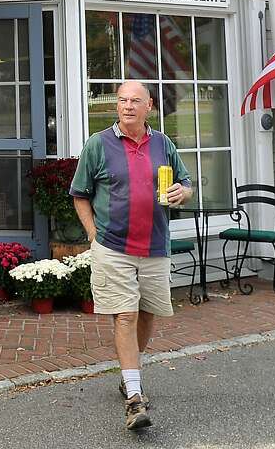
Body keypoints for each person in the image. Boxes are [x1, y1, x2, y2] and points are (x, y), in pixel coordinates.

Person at [69, 80, 193, 430]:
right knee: (125, 315)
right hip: (113, 246)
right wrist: (92, 233)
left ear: (149, 106)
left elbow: (186, 183)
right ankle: (134, 396)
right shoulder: (98, 144)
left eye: (135, 101)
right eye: (122, 100)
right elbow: (79, 194)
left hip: (155, 245)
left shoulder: (164, 144)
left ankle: (129, 373)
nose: (127, 106)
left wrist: (182, 192)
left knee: (147, 314)